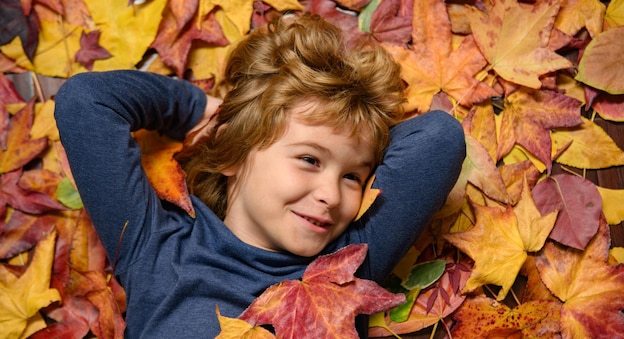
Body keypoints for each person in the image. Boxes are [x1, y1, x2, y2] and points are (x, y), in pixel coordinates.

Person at [54, 13, 465, 338]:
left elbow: (440, 138)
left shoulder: (348, 264)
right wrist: (197, 110)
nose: (332, 195)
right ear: (234, 152)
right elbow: (86, 102)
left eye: (353, 177)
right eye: (309, 159)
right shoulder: (157, 245)